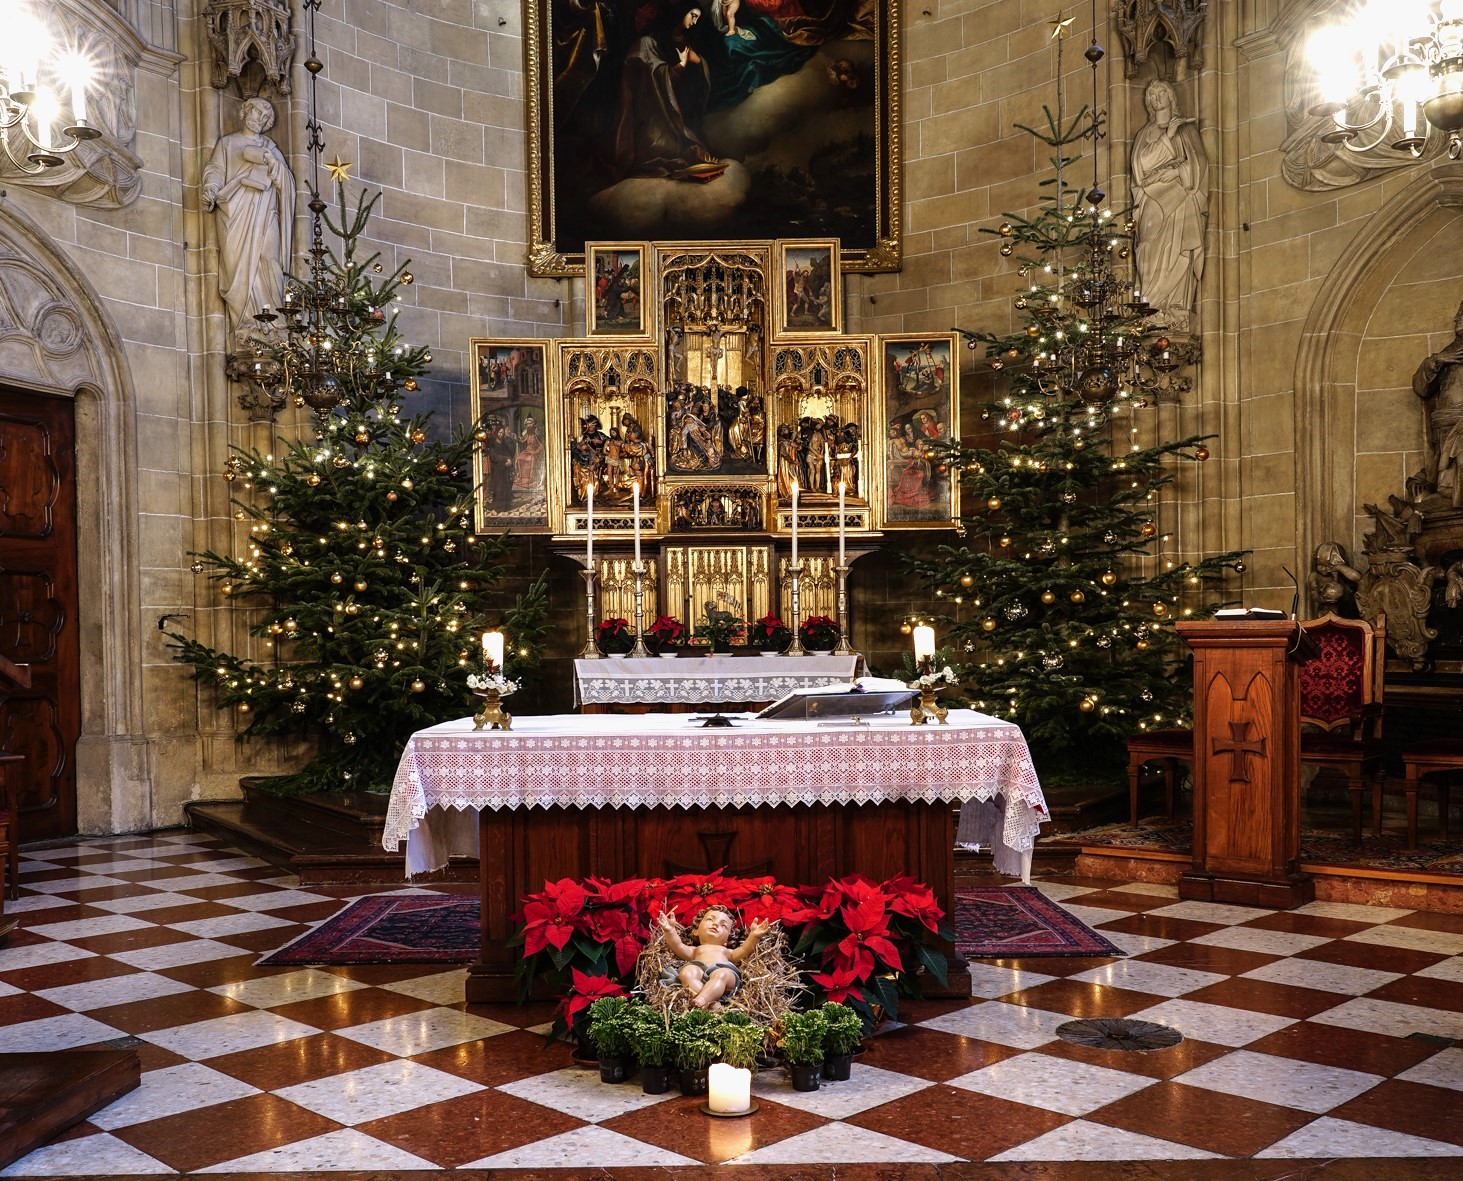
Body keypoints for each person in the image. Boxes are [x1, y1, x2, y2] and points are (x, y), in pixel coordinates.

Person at [202, 97, 294, 349]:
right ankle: (246, 321)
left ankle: (274, 321)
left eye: (265, 118)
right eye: (256, 113)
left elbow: (285, 181)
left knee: (270, 260)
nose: (260, 119)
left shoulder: (270, 146)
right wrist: (210, 188)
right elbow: (215, 170)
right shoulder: (228, 143)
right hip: (236, 212)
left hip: (265, 212)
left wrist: (274, 164)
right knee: (236, 265)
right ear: (244, 113)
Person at [1130, 79, 1208, 333]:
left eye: (1161, 93)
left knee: (1176, 248)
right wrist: (1167, 137)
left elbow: (1198, 164)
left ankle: (1173, 304)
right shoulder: (1145, 133)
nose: (1156, 98)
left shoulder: (1185, 129)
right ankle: (1151, 303)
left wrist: (1175, 174)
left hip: (1178, 198)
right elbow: (1141, 164)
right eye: (1151, 96)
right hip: (1151, 197)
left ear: (1171, 96)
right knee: (1147, 245)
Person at [657, 905, 771, 1009]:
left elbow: (744, 950)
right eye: (710, 919)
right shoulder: (695, 950)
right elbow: (677, 946)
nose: (715, 924)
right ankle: (711, 1004)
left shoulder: (727, 952)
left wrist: (754, 937)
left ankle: (703, 999)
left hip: (724, 977)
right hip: (699, 973)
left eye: (723, 925)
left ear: (727, 940)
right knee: (687, 972)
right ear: (696, 930)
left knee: (722, 974)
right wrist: (670, 930)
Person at [1412, 300, 1463, 506]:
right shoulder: (1450, 350)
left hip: (1459, 423)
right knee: (1446, 482)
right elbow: (1421, 388)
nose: (1456, 320)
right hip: (1445, 426)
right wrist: (1436, 360)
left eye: (1461, 316)